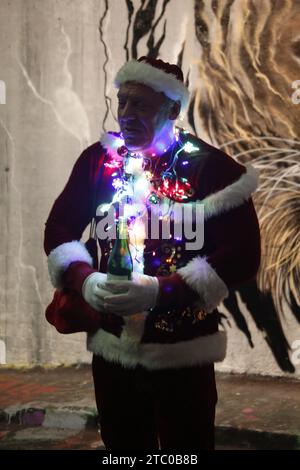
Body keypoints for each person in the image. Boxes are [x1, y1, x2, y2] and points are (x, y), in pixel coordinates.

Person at [44, 56, 261, 450]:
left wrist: (165, 291)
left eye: (140, 105)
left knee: (186, 449)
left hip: (183, 353)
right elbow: (58, 228)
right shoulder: (98, 161)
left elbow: (244, 254)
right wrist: (83, 278)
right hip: (113, 352)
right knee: (123, 448)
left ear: (172, 109)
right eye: (122, 102)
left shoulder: (211, 169)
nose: (126, 114)